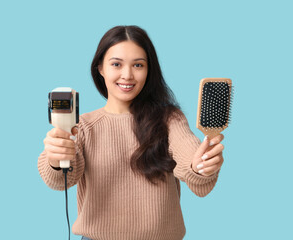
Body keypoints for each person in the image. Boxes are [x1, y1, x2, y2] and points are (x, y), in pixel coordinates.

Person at [38, 25, 224, 240]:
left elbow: (190, 158)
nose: (127, 75)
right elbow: (60, 180)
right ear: (100, 68)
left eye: (138, 65)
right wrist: (54, 158)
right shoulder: (84, 127)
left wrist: (201, 165)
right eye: (116, 64)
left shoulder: (169, 119)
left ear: (149, 70)